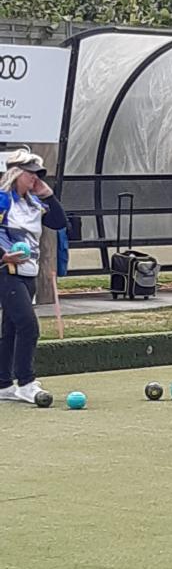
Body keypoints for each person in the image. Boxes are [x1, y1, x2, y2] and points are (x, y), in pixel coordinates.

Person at [0, 150, 67, 403]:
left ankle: (4, 384)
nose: (35, 179)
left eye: (38, 175)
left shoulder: (35, 203)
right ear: (16, 174)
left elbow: (59, 223)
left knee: (11, 328)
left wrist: (48, 194)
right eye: (31, 174)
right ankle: (26, 382)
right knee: (28, 326)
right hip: (7, 272)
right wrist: (3, 256)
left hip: (30, 273)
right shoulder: (2, 200)